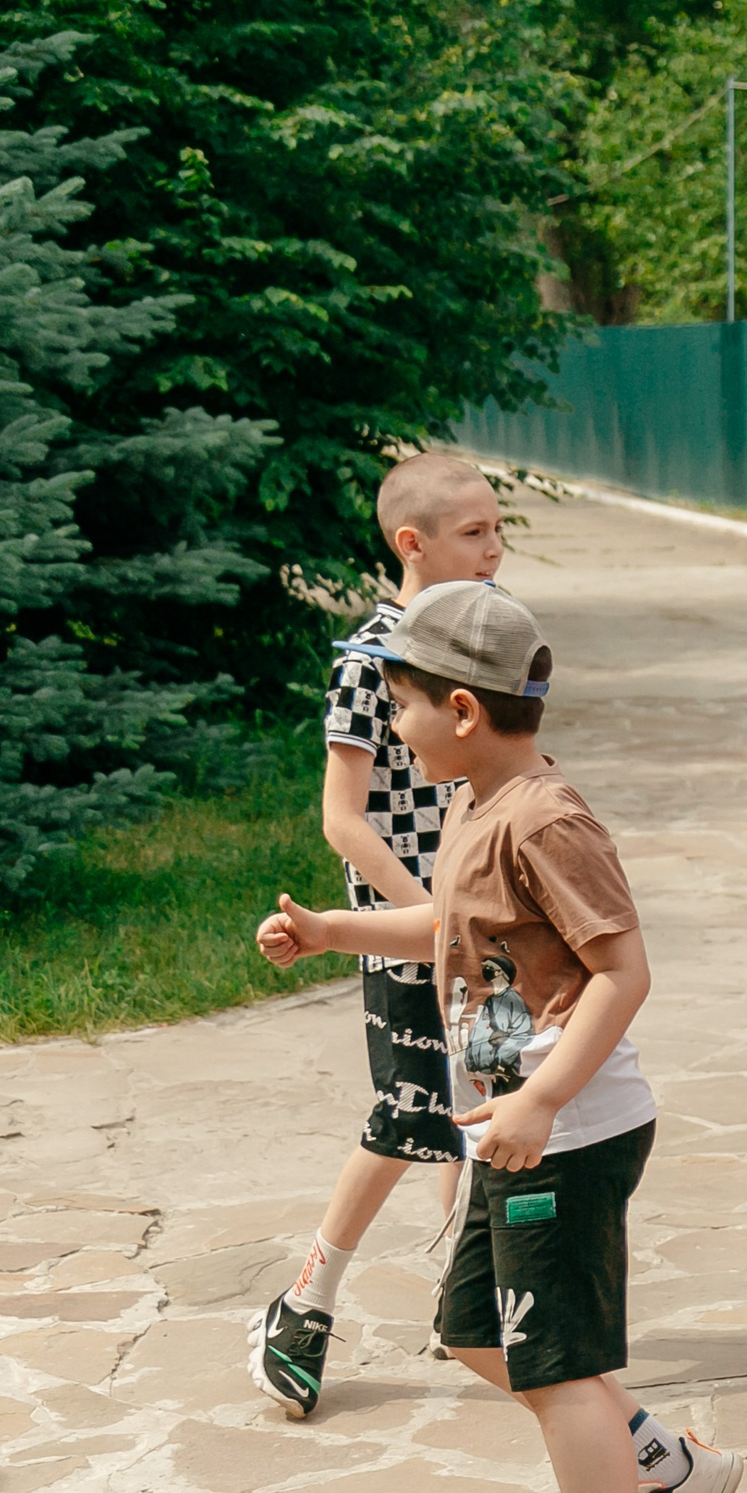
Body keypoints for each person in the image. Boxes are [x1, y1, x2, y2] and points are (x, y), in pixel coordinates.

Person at [256, 582, 741, 1493]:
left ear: (464, 710)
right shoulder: (480, 801)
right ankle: (669, 1467)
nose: (394, 725)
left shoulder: (544, 816)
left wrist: (542, 1100)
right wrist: (335, 931)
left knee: (561, 1367)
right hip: (509, 1132)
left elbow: (624, 969)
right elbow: (450, 920)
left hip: (560, 1135)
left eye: (405, 704)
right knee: (478, 1332)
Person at [248, 453, 494, 1420]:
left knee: (485, 1107)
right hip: (411, 932)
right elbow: (343, 819)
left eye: (495, 528)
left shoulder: (488, 641)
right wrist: (425, 921)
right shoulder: (367, 664)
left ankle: (465, 1299)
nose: (493, 547)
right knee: (406, 1118)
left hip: (491, 926)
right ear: (413, 543)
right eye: (474, 532)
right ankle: (303, 1302)